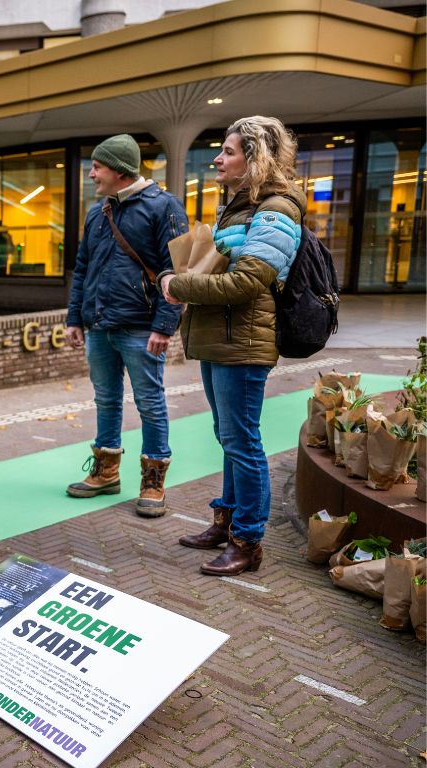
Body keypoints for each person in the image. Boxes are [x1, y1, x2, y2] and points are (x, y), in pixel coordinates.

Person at [159, 115, 304, 576]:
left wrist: (179, 285)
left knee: (243, 442)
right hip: (221, 338)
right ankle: (225, 523)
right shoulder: (242, 205)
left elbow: (247, 283)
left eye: (229, 151)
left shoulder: (276, 210)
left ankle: (248, 541)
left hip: (242, 342)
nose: (218, 159)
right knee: (229, 437)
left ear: (255, 158)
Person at [65, 134, 187, 517]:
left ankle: (153, 481)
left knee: (150, 403)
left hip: (141, 328)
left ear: (119, 170)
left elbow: (177, 271)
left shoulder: (163, 206)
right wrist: (74, 318)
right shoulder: (97, 212)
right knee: (106, 399)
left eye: (97, 167)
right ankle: (106, 473)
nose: (91, 174)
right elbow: (82, 268)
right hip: (99, 326)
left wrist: (164, 326)